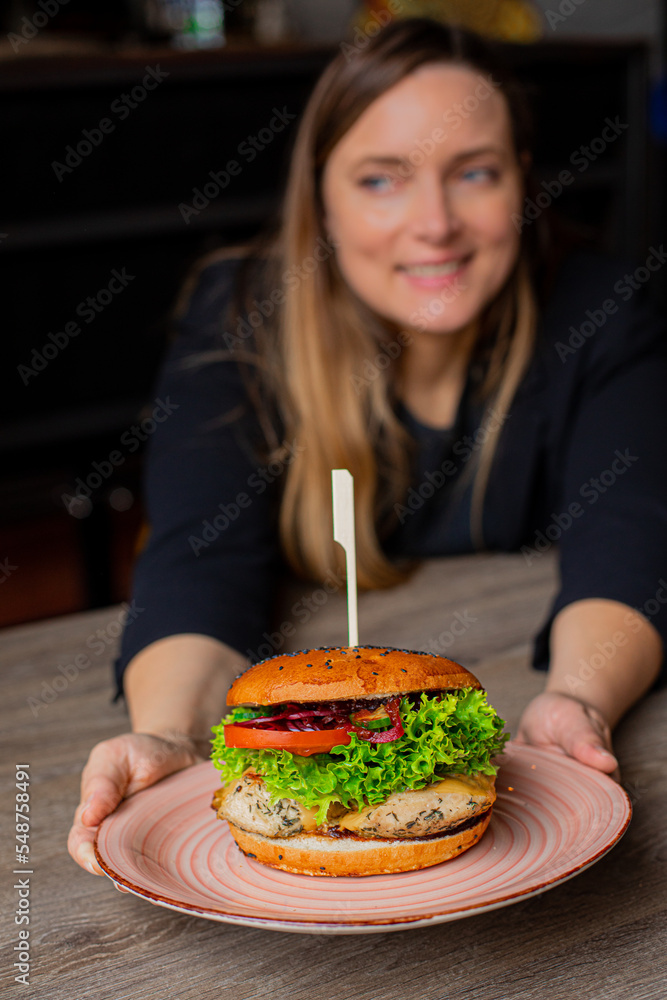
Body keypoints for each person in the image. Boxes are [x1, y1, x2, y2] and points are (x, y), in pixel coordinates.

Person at [68, 18, 667, 876]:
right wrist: (164, 731)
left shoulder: (601, 311)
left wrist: (576, 700)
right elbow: (200, 560)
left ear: (522, 183)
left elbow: (631, 541)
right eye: (382, 178)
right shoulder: (240, 316)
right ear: (322, 199)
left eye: (474, 172)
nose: (435, 223)